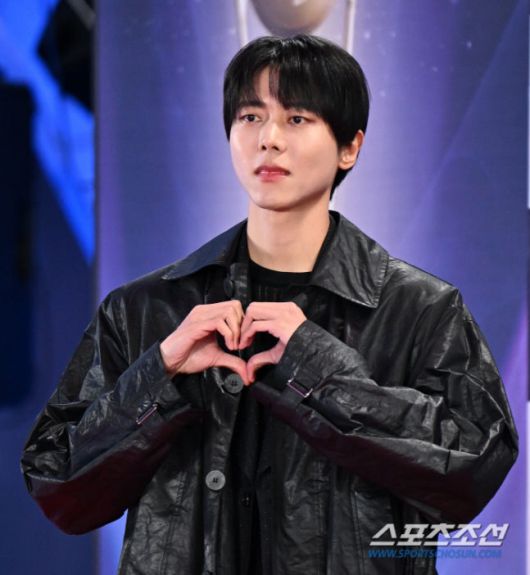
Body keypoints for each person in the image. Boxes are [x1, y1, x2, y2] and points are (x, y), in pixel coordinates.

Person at [21, 35, 517, 575]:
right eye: (251, 117)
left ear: (350, 147)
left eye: (297, 118)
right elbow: (58, 485)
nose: (269, 139)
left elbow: (473, 470)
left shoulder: (419, 309)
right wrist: (160, 375)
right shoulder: (145, 309)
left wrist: (317, 372)